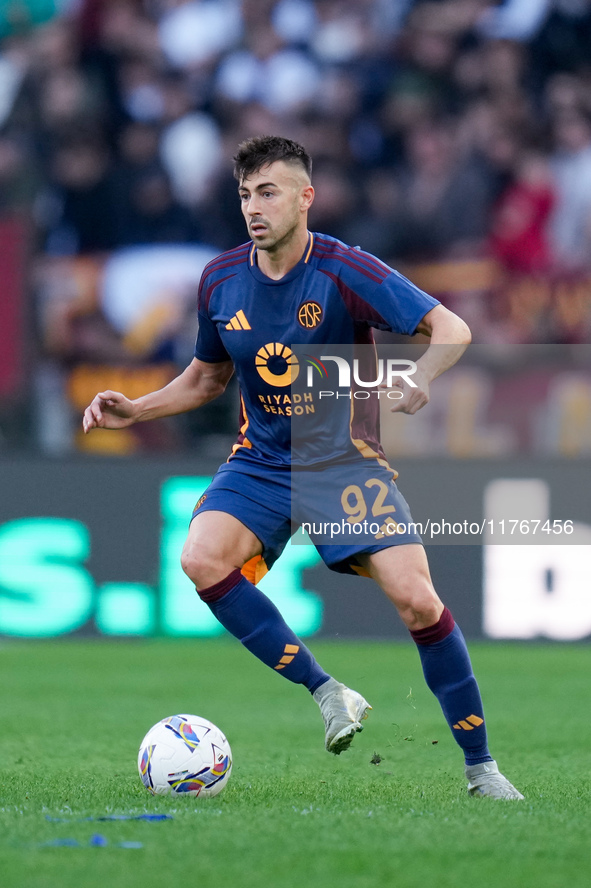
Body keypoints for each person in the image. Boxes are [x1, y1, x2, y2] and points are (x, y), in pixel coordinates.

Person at [83, 135, 523, 800]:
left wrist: (422, 375)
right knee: (201, 559)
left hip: (342, 464)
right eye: (243, 195)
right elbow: (206, 377)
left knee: (416, 600)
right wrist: (137, 409)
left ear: (303, 198)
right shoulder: (220, 279)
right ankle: (327, 693)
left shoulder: (346, 270)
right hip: (260, 462)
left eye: (267, 192)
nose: (253, 207)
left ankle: (481, 769)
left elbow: (451, 328)